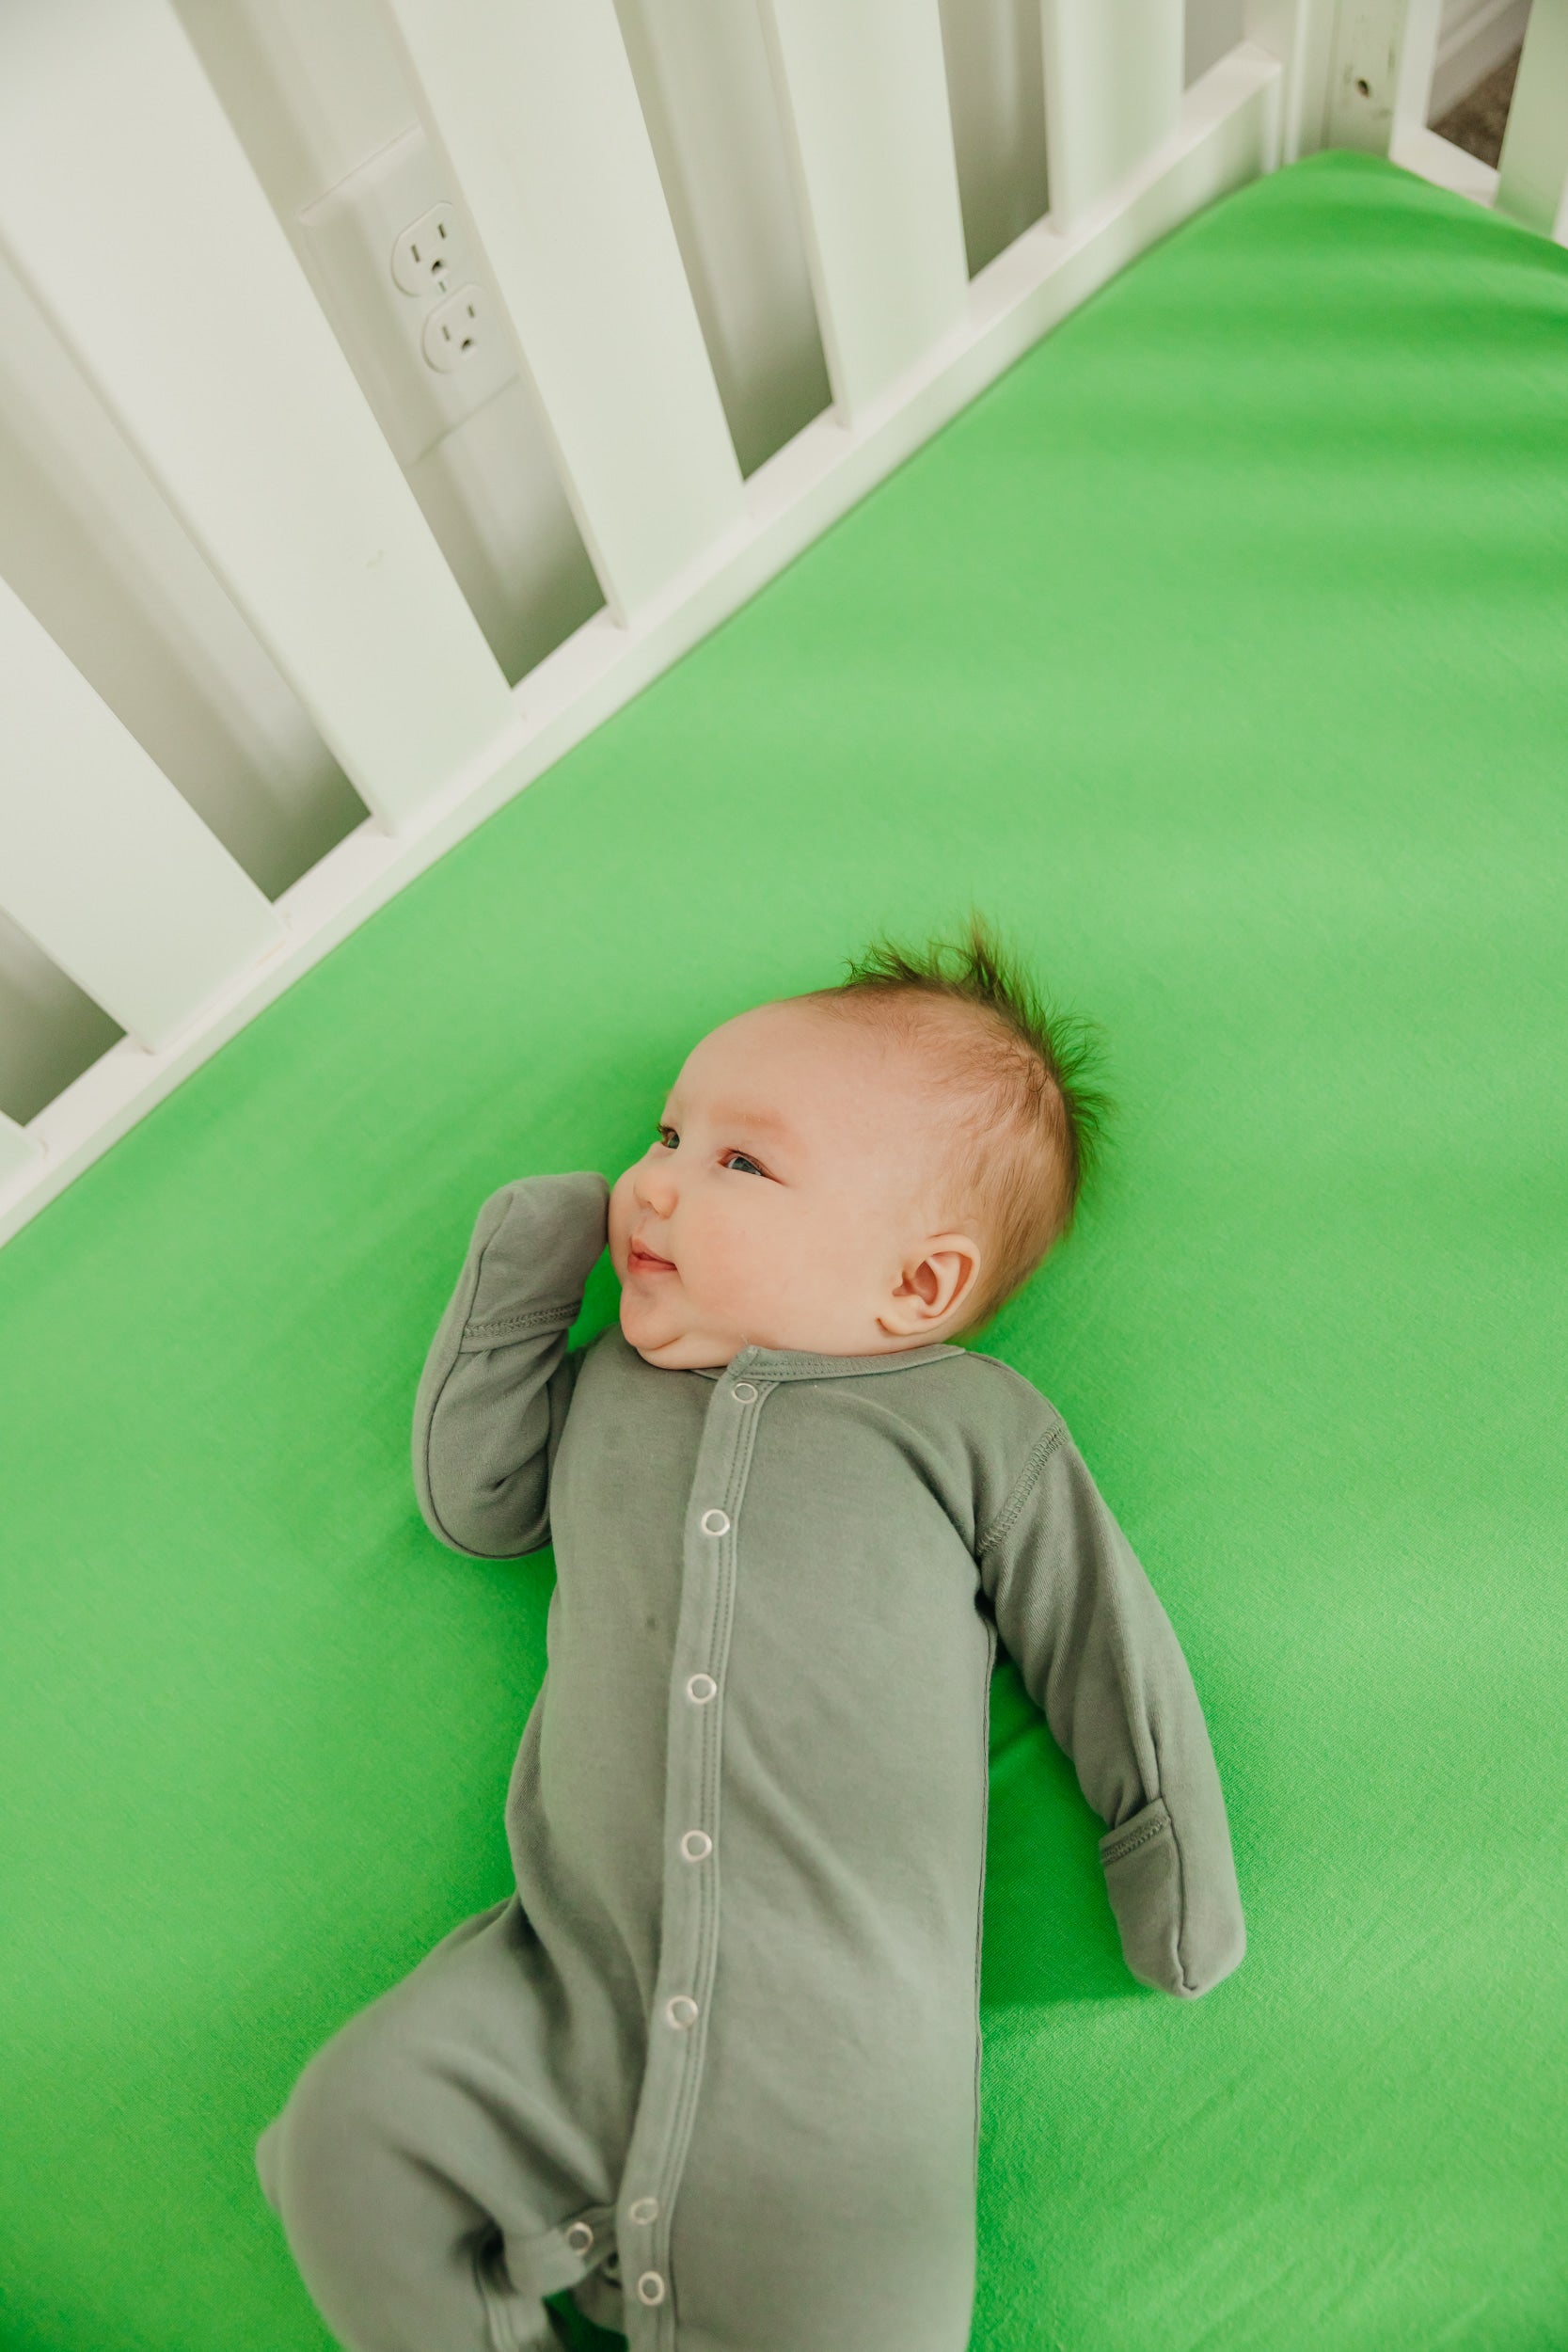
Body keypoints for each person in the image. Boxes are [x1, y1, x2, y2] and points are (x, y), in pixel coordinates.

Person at [256, 910, 1245, 2352]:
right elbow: (480, 1503)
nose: (654, 1182)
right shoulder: (608, 1388)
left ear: (918, 1284)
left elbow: (1102, 1638)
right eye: (666, 1135)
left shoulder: (969, 1424)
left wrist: (1169, 1860)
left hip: (837, 2066)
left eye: (739, 1162)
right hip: (568, 1988)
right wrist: (528, 1267)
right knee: (345, 2141)